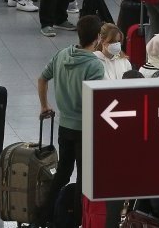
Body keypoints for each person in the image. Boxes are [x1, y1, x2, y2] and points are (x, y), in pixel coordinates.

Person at [38, 15, 105, 215]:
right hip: (84, 129)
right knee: (85, 178)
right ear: (98, 38)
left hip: (64, 125)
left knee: (63, 172)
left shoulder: (62, 54)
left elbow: (42, 79)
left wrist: (44, 105)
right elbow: (94, 102)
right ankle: (78, 218)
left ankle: (45, 214)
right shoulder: (94, 66)